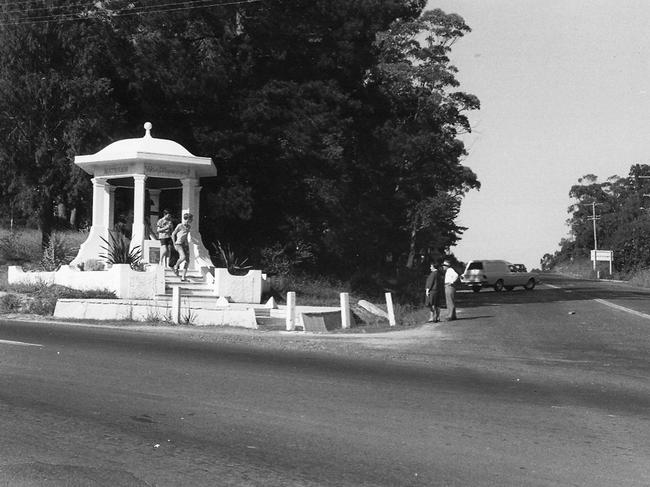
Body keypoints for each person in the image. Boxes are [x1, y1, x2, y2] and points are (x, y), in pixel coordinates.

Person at [171, 213, 193, 281]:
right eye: (190, 219)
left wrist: (187, 244)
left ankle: (183, 277)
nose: (191, 220)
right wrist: (174, 243)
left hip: (185, 245)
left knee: (187, 261)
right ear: (187, 219)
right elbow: (173, 234)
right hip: (178, 244)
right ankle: (176, 266)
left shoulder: (189, 227)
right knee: (183, 257)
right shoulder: (180, 225)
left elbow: (185, 236)